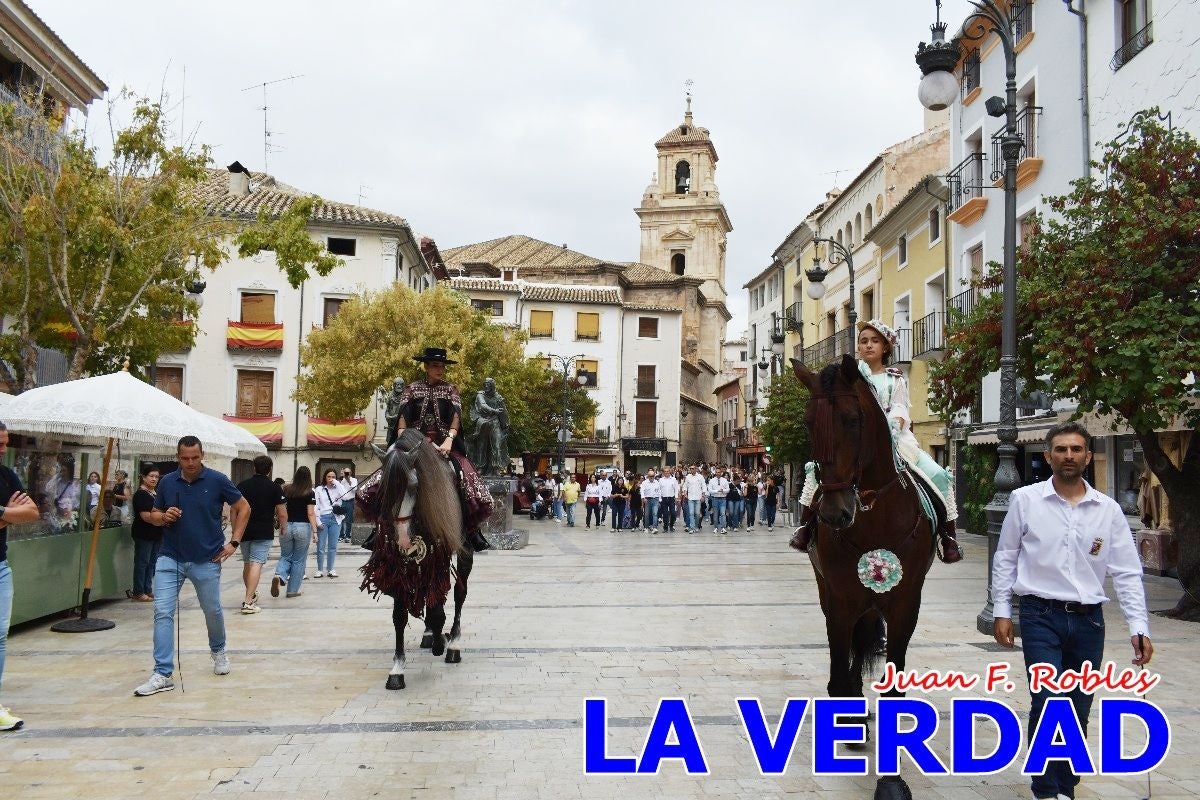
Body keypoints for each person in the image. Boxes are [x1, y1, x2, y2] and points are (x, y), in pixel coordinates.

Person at [992, 422, 1153, 800]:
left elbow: (1128, 571)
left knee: (1079, 706)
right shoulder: (1025, 500)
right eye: (1061, 449)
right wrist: (1002, 609)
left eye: (1076, 449)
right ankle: (1046, 788)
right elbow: (1006, 557)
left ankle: (1066, 784)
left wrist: (1138, 626)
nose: (1069, 456)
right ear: (1048, 456)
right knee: (1048, 699)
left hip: (1089, 619)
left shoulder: (1108, 510)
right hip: (1038, 614)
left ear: (1086, 455)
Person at [791, 319, 963, 562]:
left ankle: (949, 537)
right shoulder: (849, 376)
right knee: (816, 474)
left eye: (875, 341)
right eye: (863, 341)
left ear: (885, 348)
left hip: (895, 439)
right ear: (858, 348)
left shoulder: (895, 379)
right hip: (857, 439)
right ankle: (805, 528)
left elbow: (901, 407)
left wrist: (895, 423)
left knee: (937, 474)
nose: (868, 345)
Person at [133, 436, 250, 697]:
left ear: (202, 454)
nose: (190, 463)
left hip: (207, 559)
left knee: (212, 610)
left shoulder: (217, 480)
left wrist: (234, 542)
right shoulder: (166, 482)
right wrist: (163, 517)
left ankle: (218, 649)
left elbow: (243, 507)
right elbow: (153, 515)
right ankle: (162, 673)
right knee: (162, 611)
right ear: (177, 457)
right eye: (185, 458)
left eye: (194, 457)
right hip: (169, 556)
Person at [395, 347, 493, 549]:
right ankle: (379, 529)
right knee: (388, 475)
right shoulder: (411, 389)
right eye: (435, 365)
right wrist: (403, 440)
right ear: (425, 366)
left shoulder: (451, 389)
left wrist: (449, 439)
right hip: (413, 444)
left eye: (442, 366)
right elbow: (402, 420)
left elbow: (456, 418)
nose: (440, 369)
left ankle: (470, 530)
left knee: (465, 477)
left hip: (445, 445)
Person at [0, 420, 42, 731]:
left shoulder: (7, 474)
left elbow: (33, 513)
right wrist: (9, 513)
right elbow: (19, 514)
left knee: (0, 635)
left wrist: (4, 515)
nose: (4, 449)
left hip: (1, 565)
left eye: (5, 442)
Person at [236, 455, 287, 613]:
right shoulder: (274, 487)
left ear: (254, 468)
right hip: (264, 530)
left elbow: (234, 508)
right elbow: (282, 512)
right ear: (270, 469)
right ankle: (248, 602)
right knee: (256, 563)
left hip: (244, 529)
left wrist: (235, 526)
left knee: (247, 563)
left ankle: (250, 594)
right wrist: (283, 527)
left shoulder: (242, 485)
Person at [272, 466, 317, 599]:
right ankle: (292, 590)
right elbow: (310, 513)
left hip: (286, 526)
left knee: (285, 556)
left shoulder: (286, 489)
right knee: (298, 560)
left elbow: (280, 508)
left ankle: (279, 575)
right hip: (302, 527)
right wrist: (315, 531)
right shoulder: (310, 492)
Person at [130, 463, 162, 602]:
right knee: (142, 562)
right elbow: (146, 516)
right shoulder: (141, 494)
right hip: (144, 533)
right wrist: (162, 518)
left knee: (152, 563)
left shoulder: (155, 494)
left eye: (156, 476)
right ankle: (138, 591)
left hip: (156, 533)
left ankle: (148, 589)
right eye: (151, 476)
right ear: (144, 477)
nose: (154, 479)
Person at [468, 377, 510, 476]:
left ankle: (496, 468)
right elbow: (482, 406)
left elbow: (503, 411)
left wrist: (505, 424)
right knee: (481, 446)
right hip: (483, 422)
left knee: (497, 445)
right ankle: (480, 467)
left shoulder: (498, 397)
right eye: (485, 385)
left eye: (489, 385)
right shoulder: (480, 395)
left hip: (495, 422)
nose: (486, 387)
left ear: (492, 385)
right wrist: (494, 410)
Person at [314, 469, 342, 578]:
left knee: (333, 546)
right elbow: (316, 505)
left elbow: (345, 496)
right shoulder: (319, 489)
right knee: (320, 546)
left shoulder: (338, 488)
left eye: (333, 477)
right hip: (323, 518)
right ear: (325, 477)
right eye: (329, 477)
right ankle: (319, 569)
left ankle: (330, 568)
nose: (331, 479)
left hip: (336, 519)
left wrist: (337, 483)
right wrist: (318, 520)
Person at [43, 458, 79, 531]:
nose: (62, 473)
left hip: (69, 513)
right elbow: (48, 488)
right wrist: (57, 476)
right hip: (58, 511)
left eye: (64, 470)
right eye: (61, 471)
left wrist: (69, 510)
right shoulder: (58, 482)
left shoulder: (74, 484)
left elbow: (76, 501)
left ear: (70, 471)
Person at [683, 464, 707, 533]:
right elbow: (685, 486)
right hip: (690, 497)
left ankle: (696, 526)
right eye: (690, 468)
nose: (691, 470)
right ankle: (692, 527)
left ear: (696, 469)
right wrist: (685, 492)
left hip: (698, 497)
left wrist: (703, 495)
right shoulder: (688, 477)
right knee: (691, 513)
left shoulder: (700, 477)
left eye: (693, 468)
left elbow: (704, 486)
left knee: (697, 513)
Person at [707, 466, 730, 534]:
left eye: (719, 472)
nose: (717, 473)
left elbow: (728, 489)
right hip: (715, 499)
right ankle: (715, 527)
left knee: (723, 513)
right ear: (715, 473)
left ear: (721, 472)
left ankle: (723, 527)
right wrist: (717, 491)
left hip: (723, 499)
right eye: (716, 472)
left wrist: (723, 490)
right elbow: (710, 490)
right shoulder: (712, 480)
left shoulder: (724, 480)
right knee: (716, 514)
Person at [338, 467, 358, 543]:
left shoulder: (354, 480)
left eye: (348, 472)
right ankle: (341, 536)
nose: (346, 474)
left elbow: (354, 489)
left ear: (351, 473)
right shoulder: (341, 480)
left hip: (350, 501)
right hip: (342, 501)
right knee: (341, 519)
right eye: (345, 472)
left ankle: (347, 536)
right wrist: (343, 479)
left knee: (349, 519)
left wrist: (348, 480)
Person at [659, 466, 679, 532]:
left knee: (673, 513)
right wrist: (660, 498)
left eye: (667, 471)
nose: (666, 473)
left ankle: (671, 525)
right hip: (664, 498)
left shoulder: (673, 479)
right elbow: (659, 490)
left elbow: (676, 489)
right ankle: (665, 527)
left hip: (671, 498)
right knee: (665, 514)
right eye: (665, 471)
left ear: (669, 472)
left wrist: (676, 497)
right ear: (663, 473)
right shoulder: (661, 480)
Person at [642, 469, 662, 533]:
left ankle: (654, 527)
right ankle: (646, 527)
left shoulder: (657, 482)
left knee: (655, 514)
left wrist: (659, 500)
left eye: (653, 476)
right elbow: (642, 491)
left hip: (655, 499)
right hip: (647, 499)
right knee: (647, 514)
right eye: (650, 476)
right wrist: (643, 498)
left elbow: (659, 492)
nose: (651, 477)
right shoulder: (644, 482)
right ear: (648, 476)